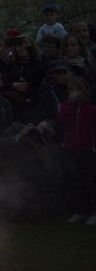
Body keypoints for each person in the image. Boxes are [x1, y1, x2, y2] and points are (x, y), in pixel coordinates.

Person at [56, 77, 96, 224]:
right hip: (70, 149)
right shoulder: (67, 107)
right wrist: (69, 104)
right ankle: (80, 211)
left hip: (88, 150)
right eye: (71, 90)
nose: (74, 93)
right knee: (76, 180)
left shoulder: (92, 109)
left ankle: (93, 212)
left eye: (77, 90)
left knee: (90, 181)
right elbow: (61, 119)